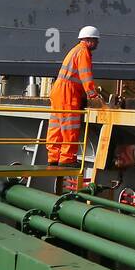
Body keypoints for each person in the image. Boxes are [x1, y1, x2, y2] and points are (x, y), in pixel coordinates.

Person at [47, 26, 104, 166]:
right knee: (69, 126)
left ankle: (53, 157)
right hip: (68, 92)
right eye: (96, 40)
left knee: (56, 126)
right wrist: (92, 95)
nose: (97, 44)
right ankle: (67, 159)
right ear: (89, 40)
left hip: (58, 90)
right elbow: (85, 75)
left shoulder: (75, 50)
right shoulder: (83, 52)